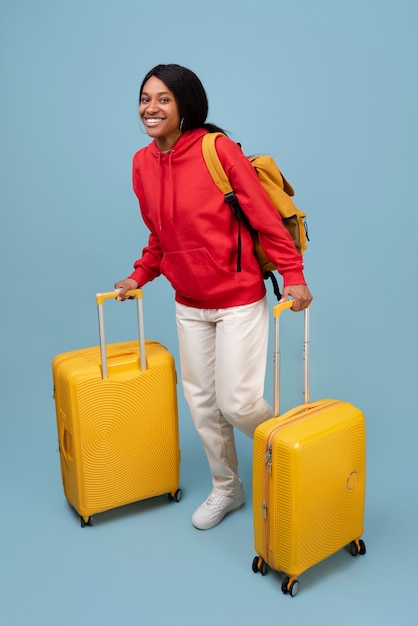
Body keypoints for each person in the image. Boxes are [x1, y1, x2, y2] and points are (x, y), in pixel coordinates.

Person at [115, 64, 313, 531]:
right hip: (189, 303)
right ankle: (228, 488)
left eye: (164, 99)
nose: (151, 107)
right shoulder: (142, 163)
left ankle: (294, 457)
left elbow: (265, 218)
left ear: (186, 104)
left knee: (238, 402)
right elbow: (160, 234)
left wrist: (294, 274)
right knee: (202, 404)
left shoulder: (215, 149)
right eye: (146, 98)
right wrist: (139, 276)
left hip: (238, 297)